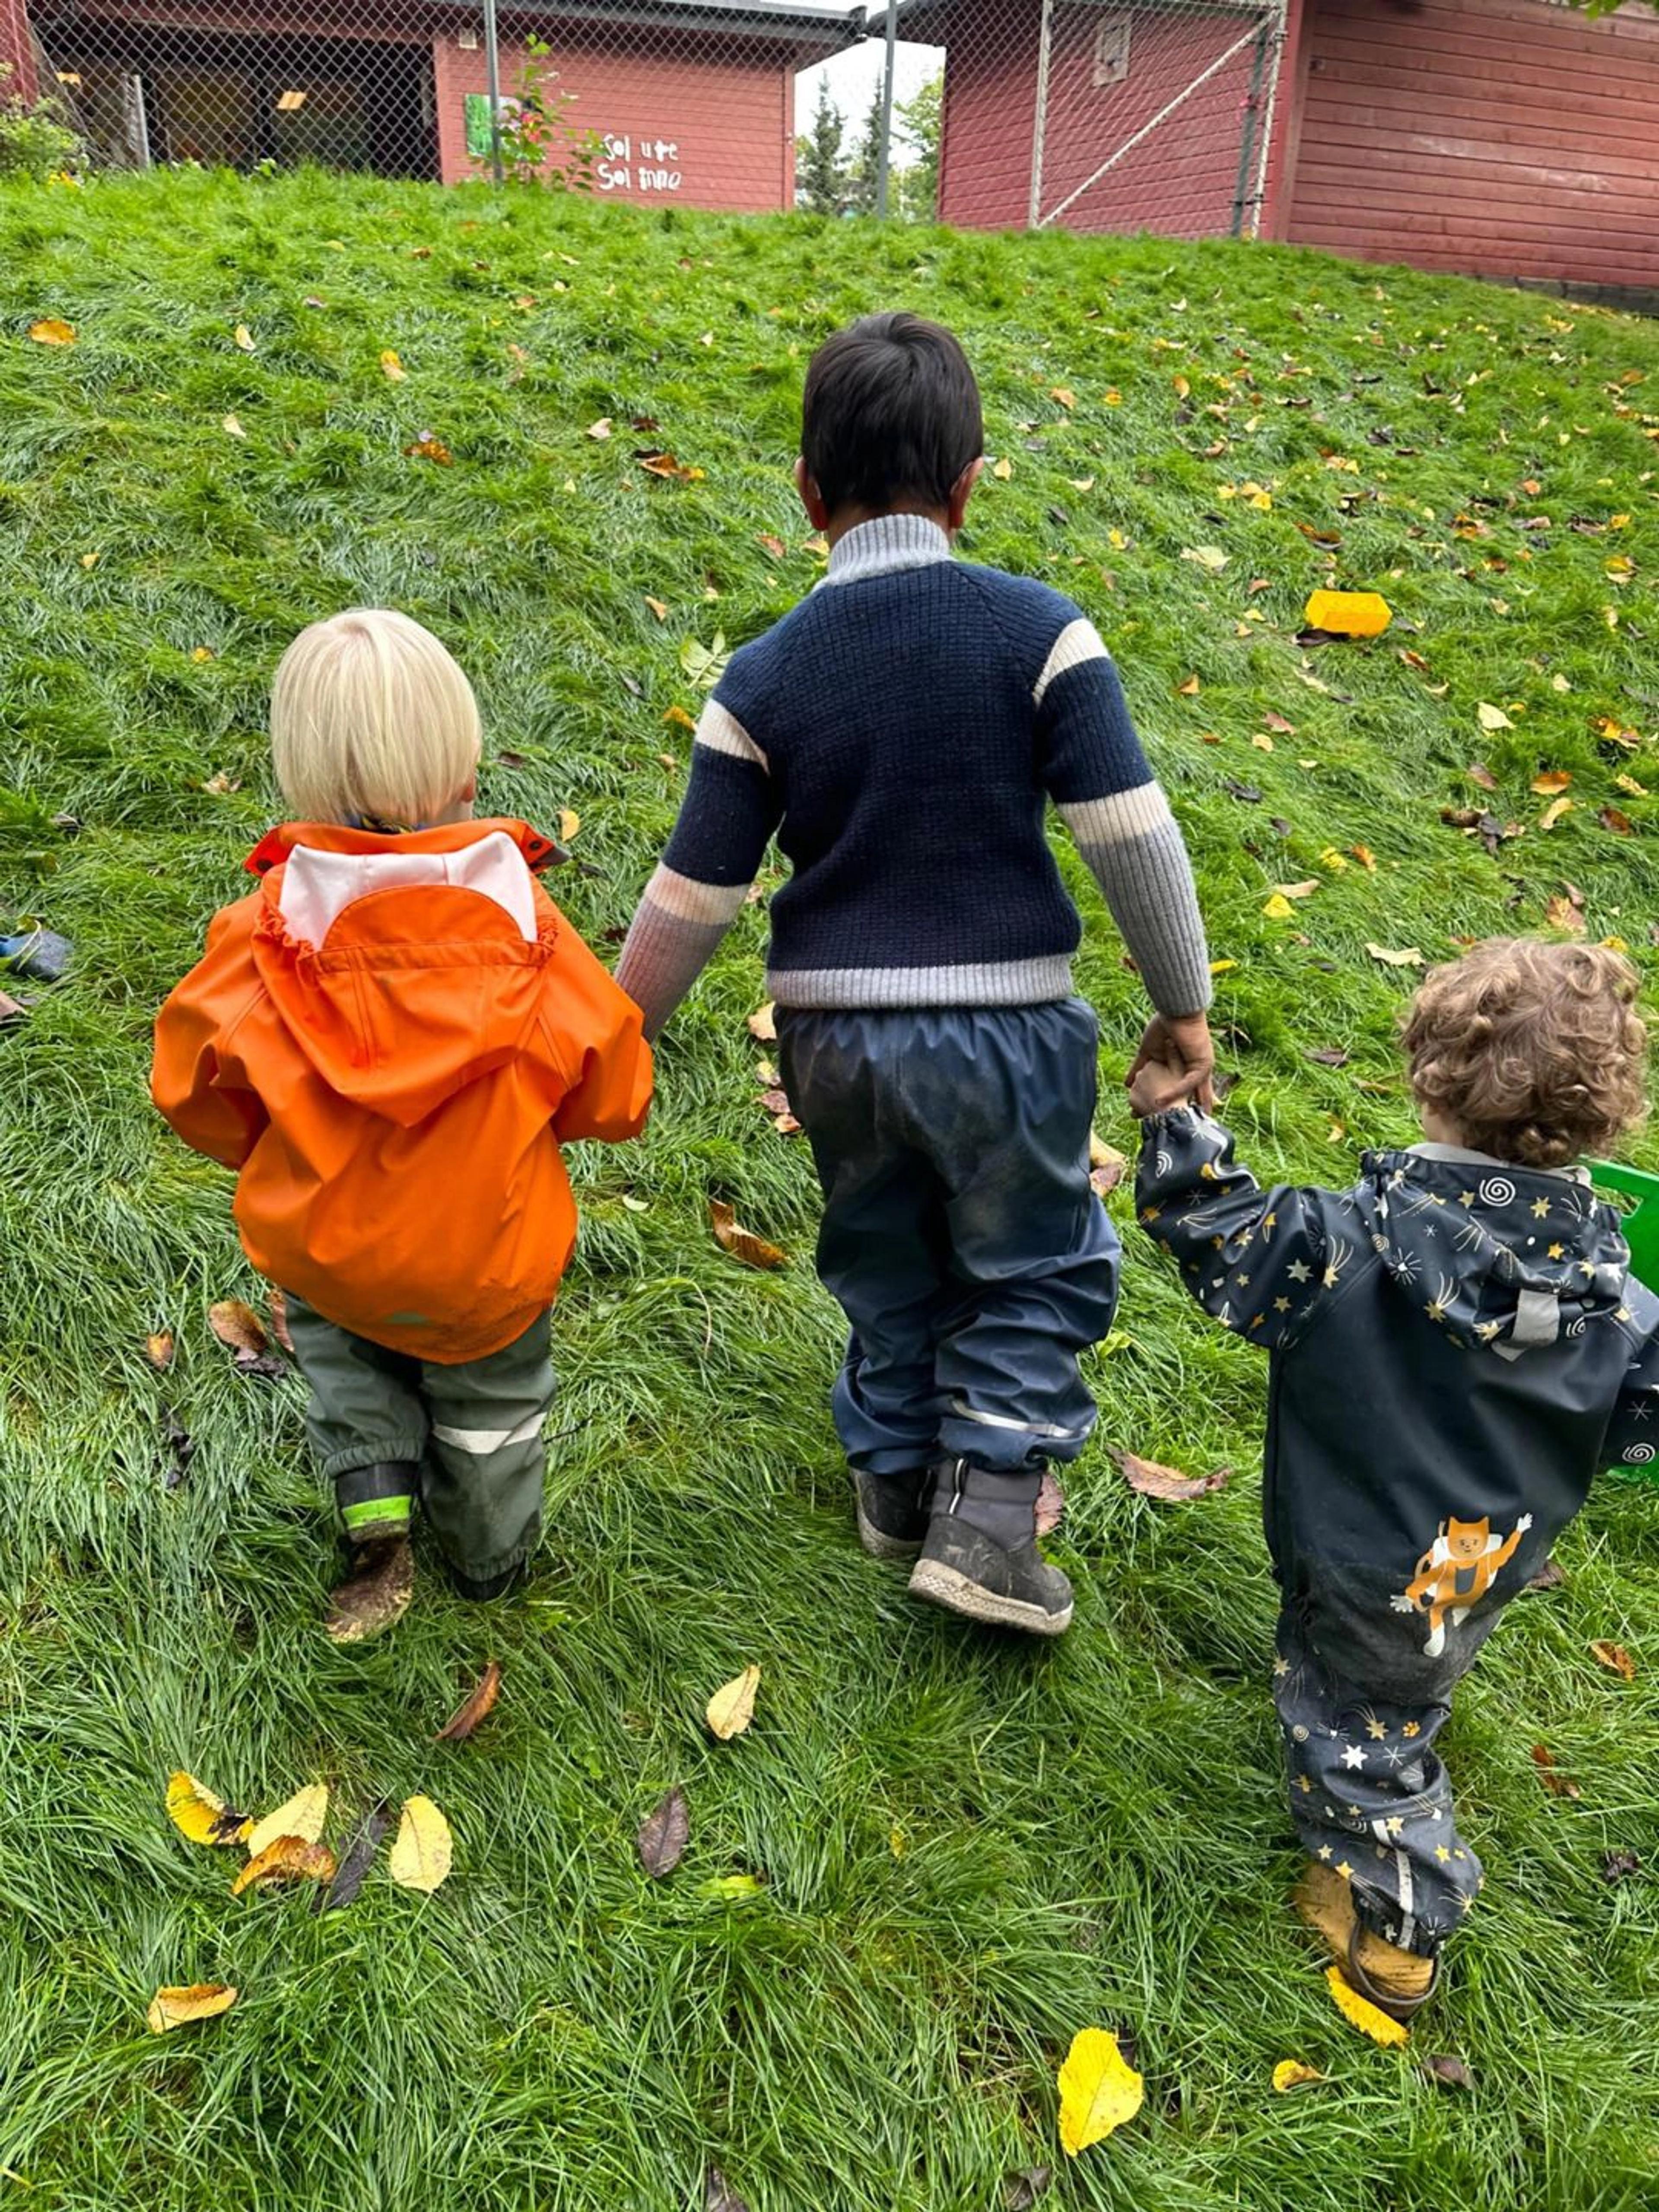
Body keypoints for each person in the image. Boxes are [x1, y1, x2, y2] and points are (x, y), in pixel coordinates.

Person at [616, 311, 1215, 1638]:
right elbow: (1133, 835)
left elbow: (691, 895)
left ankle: (893, 1489)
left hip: (832, 1046)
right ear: (968, 483)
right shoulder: (1039, 634)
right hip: (1007, 1035)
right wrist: (1183, 1002)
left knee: (884, 1256)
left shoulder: (764, 674)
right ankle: (992, 1519)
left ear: (807, 496)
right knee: (1035, 1264)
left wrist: (617, 1031)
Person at [1128, 938, 1657, 2017]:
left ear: (1429, 1077)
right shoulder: (1623, 1306)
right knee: (1410, 1662)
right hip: (1486, 1553)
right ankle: (1397, 1701)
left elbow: (1216, 1227)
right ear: (1606, 1125)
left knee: (1362, 1736)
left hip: (1363, 1560)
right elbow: (1639, 1419)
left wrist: (1174, 1120)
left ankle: (1402, 1916)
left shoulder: (1340, 1249)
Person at [153, 610, 652, 1642]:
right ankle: (487, 1557)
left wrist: (267, 1143)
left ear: (300, 780)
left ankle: (375, 1504)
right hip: (488, 1264)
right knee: (494, 1412)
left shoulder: (259, 941)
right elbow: (617, 1092)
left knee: (346, 1355)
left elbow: (189, 1087)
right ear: (465, 771)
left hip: (333, 1247)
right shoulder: (536, 941)